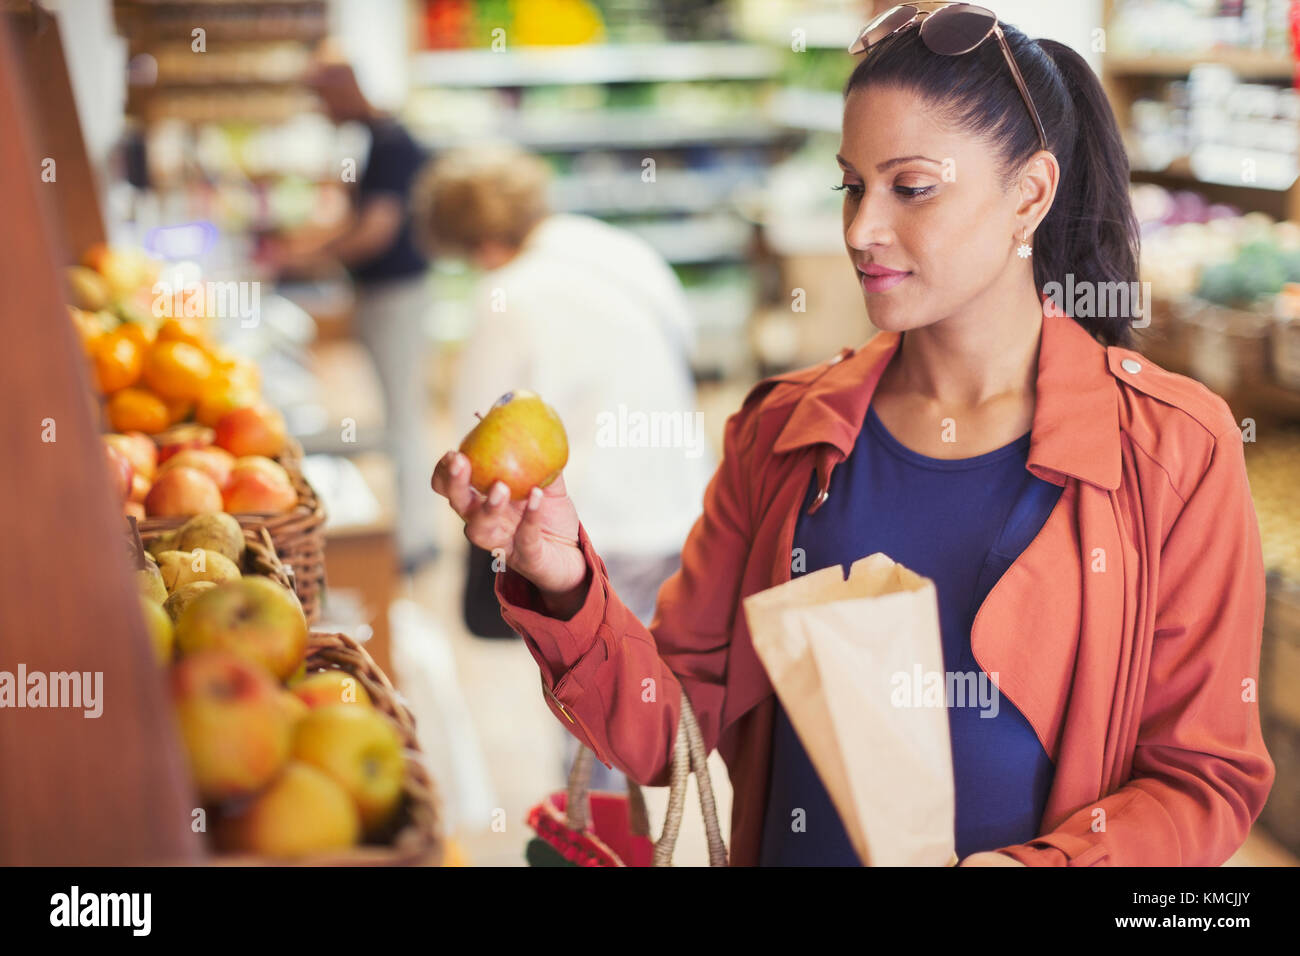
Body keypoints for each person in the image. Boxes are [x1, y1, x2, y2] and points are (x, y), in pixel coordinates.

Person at [430, 4, 1275, 866]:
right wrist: (563, 579)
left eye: (912, 188)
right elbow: (664, 733)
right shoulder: (785, 434)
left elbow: (1201, 777)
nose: (862, 229)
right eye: (852, 185)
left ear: (1030, 194)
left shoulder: (1172, 450)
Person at [413, 143, 715, 790]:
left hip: (596, 522)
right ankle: (638, 832)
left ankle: (597, 845)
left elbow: (478, 437)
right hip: (683, 501)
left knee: (596, 707)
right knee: (659, 701)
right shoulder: (618, 250)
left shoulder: (506, 295)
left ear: (479, 240)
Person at [273, 53, 440, 574]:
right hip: (381, 295)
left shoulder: (392, 144)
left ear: (345, 90)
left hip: (399, 295)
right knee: (393, 415)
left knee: (403, 417)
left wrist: (311, 256)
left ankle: (416, 543)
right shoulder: (372, 141)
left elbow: (375, 232)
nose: (321, 111)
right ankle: (408, 536)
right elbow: (354, 220)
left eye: (323, 99)